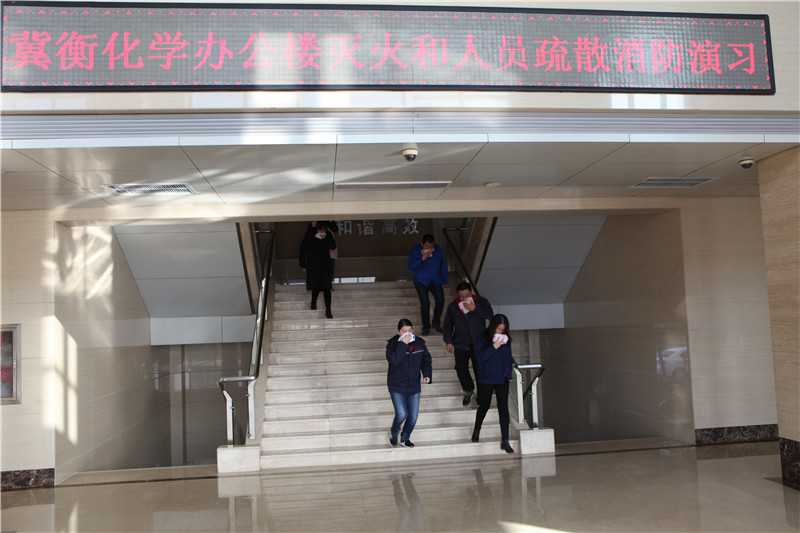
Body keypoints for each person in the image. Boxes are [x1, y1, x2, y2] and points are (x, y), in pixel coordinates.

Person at [443, 282, 494, 406]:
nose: (464, 298)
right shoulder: (453, 306)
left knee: (479, 370)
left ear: (471, 292)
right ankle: (469, 389)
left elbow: (490, 315)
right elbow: (448, 325)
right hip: (461, 343)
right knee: (460, 368)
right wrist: (448, 341)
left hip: (479, 343)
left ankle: (481, 396)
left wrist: (474, 309)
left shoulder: (481, 301)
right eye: (461, 296)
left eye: (466, 295)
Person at [472, 314, 515, 454]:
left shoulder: (506, 340)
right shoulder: (482, 339)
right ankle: (477, 430)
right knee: (484, 405)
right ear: (493, 327)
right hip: (486, 378)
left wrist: (509, 375)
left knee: (503, 409)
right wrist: (494, 347)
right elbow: (479, 358)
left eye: (503, 329)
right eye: (499, 329)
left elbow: (508, 358)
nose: (501, 332)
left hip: (502, 379)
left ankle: (505, 440)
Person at [386, 319, 433, 448]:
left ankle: (405, 438)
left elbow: (426, 360)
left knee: (413, 416)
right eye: (404, 331)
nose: (407, 333)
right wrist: (403, 344)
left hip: (414, 385)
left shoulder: (419, 343)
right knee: (402, 414)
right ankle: (394, 432)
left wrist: (427, 374)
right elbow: (394, 360)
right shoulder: (392, 345)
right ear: (398, 332)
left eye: (410, 330)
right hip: (396, 385)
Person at [407, 234, 448, 336]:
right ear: (422, 244)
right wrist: (422, 258)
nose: (429, 248)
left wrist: (445, 280)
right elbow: (411, 266)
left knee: (441, 300)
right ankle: (426, 327)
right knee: (425, 304)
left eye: (431, 246)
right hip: (421, 280)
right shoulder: (415, 250)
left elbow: (443, 264)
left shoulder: (438, 250)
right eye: (427, 246)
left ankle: (436, 322)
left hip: (435, 279)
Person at [299, 221, 336, 318]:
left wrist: (325, 238)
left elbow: (333, 246)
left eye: (323, 230)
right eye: (320, 230)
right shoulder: (310, 236)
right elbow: (302, 250)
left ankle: (328, 310)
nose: (322, 232)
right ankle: (313, 303)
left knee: (327, 287)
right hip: (314, 265)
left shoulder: (328, 235)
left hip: (325, 265)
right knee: (316, 286)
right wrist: (303, 264)